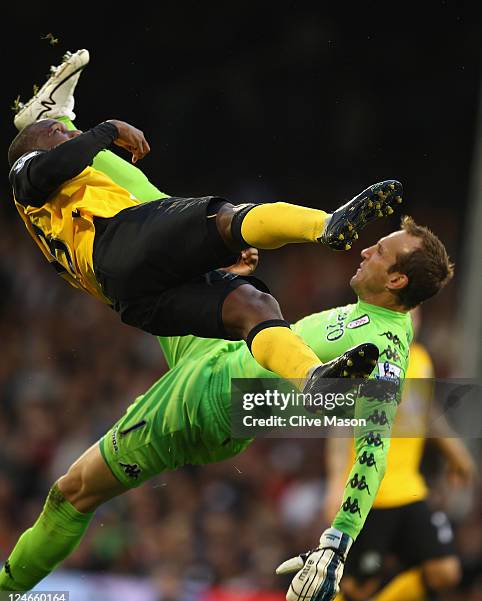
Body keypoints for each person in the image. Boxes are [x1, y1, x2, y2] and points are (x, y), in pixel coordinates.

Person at [0, 50, 454, 601]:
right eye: (372, 240)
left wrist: (337, 538)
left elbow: (373, 447)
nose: (369, 250)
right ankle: (313, 351)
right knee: (245, 297)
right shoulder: (90, 174)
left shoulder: (387, 348)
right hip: (206, 347)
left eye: (380, 250)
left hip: (208, 397)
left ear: (398, 279)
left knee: (74, 490)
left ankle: (6, 593)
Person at [7, 50, 405, 398]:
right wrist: (108, 129)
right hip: (120, 239)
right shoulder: (26, 171)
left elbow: (69, 166)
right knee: (226, 219)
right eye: (59, 129)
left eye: (67, 128)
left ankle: (312, 380)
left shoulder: (61, 199)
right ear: (34, 142)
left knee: (253, 306)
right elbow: (51, 161)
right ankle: (327, 225)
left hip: (129, 295)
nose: (71, 135)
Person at [324, 308, 476, 601]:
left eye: (416, 313)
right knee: (358, 586)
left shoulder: (420, 358)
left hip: (410, 491)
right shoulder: (366, 357)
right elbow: (341, 424)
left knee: (445, 569)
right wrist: (335, 484)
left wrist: (454, 450)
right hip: (369, 495)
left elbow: (424, 410)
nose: (411, 319)